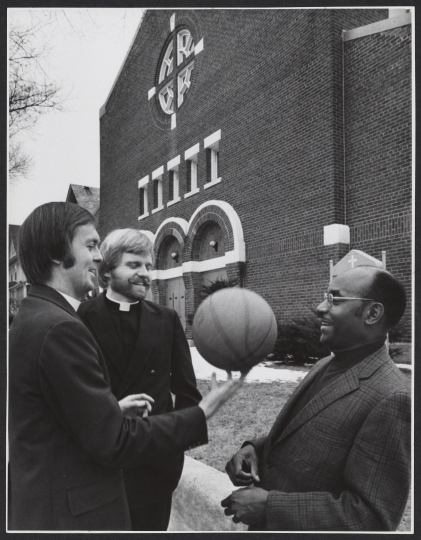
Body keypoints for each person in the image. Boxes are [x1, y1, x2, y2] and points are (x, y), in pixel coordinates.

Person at [8, 202, 244, 531]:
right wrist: (199, 416)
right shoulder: (66, 324)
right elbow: (111, 441)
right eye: (90, 246)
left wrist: (113, 413)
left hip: (147, 474)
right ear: (56, 252)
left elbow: (66, 412)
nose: (96, 256)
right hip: (85, 494)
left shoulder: (34, 315)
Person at [222, 266, 410, 531]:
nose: (321, 307)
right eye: (326, 296)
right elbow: (305, 433)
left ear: (373, 313)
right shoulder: (325, 364)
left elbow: (372, 518)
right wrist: (255, 448)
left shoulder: (391, 398)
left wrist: (270, 506)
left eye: (335, 299)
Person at [77, 229, 201, 531]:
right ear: (107, 270)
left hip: (154, 467)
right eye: (134, 266)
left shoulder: (167, 319)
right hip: (104, 466)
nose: (145, 274)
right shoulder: (82, 317)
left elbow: (187, 392)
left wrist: (173, 451)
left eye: (148, 266)